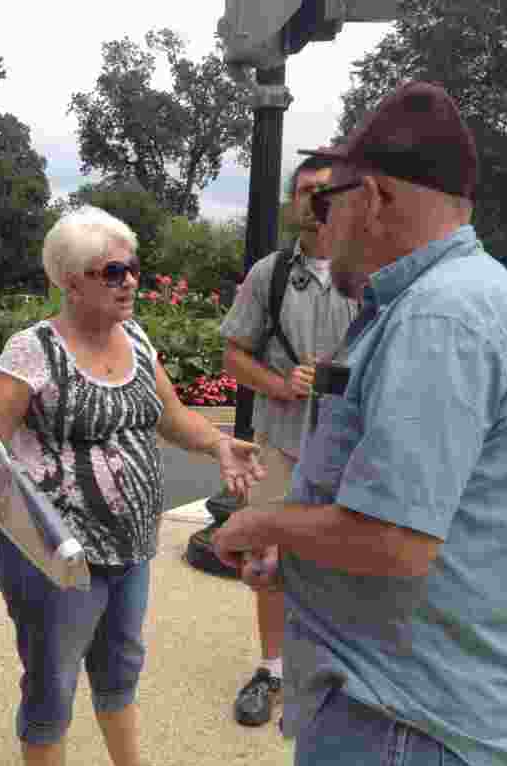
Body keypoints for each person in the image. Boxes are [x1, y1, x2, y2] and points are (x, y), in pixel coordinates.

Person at [213, 81, 507, 766]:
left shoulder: (439, 319)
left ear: (374, 198)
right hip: (414, 713)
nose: (318, 227)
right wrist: (303, 554)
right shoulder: (471, 301)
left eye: (327, 204)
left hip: (397, 722)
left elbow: (395, 541)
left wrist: (261, 524)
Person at [0, 206, 265, 766]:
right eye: (112, 271)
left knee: (120, 664)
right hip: (58, 558)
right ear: (71, 280)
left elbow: (171, 415)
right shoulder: (33, 350)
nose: (129, 280)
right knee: (53, 680)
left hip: (130, 547)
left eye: (131, 268)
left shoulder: (134, 337)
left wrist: (217, 444)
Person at [219, 155, 359, 727]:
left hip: (352, 447)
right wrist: (280, 384)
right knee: (269, 559)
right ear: (294, 201)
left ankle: (329, 673)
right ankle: (273, 668)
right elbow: (232, 354)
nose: (313, 201)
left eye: (324, 191)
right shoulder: (269, 274)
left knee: (345, 560)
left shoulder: (373, 272)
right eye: (304, 191)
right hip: (280, 441)